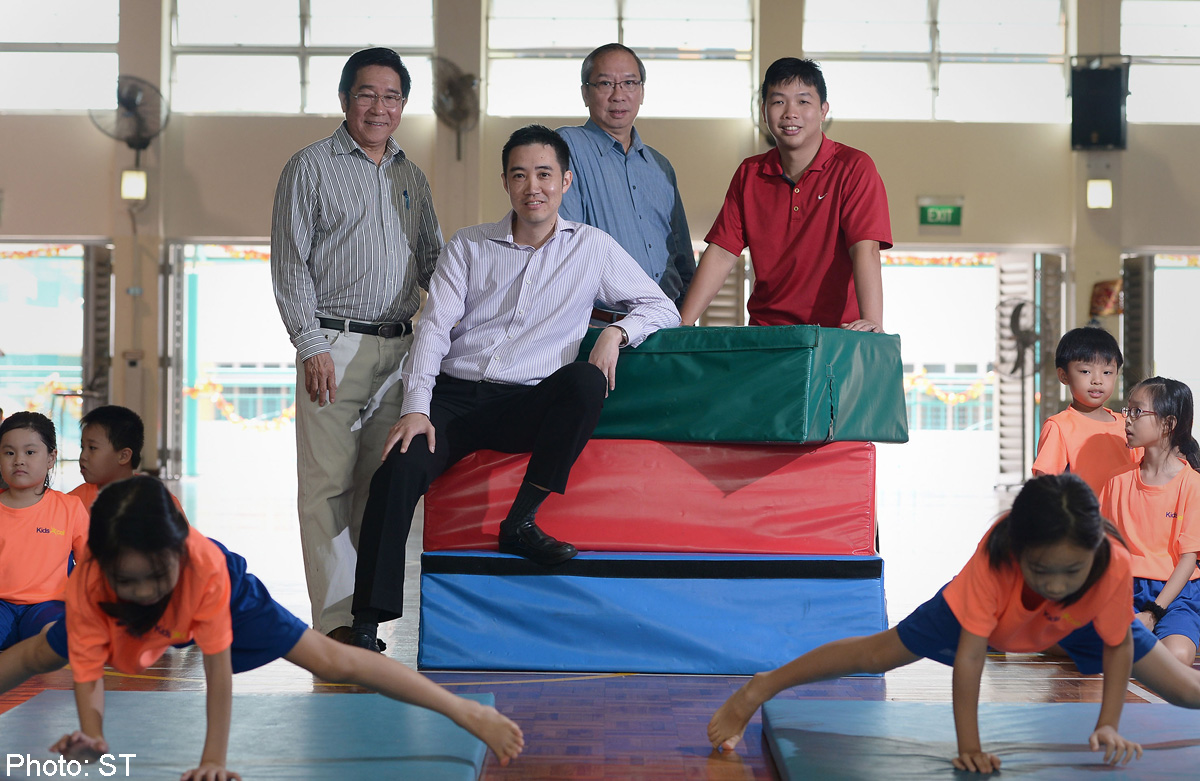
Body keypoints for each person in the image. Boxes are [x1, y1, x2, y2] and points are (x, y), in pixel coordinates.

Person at [348, 125, 680, 651]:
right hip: (455, 399)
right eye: (520, 175)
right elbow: (434, 329)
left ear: (565, 181)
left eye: (545, 174)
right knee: (397, 470)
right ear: (505, 182)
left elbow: (662, 306)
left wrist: (616, 332)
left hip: (526, 402)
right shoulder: (469, 245)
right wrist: (416, 408)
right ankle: (367, 625)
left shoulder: (592, 248)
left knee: (585, 380)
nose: (533, 187)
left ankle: (521, 521)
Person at [0, 476, 524, 777]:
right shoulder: (93, 584)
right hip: (131, 618)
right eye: (127, 580)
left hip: (225, 600)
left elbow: (217, 673)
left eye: (154, 577)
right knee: (37, 653)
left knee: (331, 660)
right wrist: (93, 734)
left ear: (178, 552)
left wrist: (212, 761)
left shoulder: (204, 569)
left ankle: (466, 712)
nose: (143, 590)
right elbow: (87, 669)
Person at [708, 474, 1200, 773]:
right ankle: (761, 686)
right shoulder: (995, 560)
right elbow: (970, 659)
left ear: (1093, 553)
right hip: (995, 613)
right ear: (1019, 551)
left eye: (1070, 571)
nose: (1055, 583)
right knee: (876, 655)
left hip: (1079, 618)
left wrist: (1108, 723)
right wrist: (970, 747)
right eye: (1041, 570)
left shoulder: (1110, 563)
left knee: (1187, 691)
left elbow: (1118, 647)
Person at [271, 47, 443, 641]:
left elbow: (434, 264)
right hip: (334, 346)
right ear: (345, 98)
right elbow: (290, 265)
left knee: (380, 484)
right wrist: (309, 343)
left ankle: (365, 616)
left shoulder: (410, 177)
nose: (379, 107)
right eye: (367, 94)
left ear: (403, 105)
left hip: (401, 352)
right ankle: (336, 624)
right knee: (327, 487)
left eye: (391, 96)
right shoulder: (310, 167)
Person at [679, 57, 891, 332]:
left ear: (823, 110)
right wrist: (682, 324)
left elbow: (865, 248)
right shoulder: (750, 174)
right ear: (764, 111)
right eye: (778, 101)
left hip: (835, 334)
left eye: (803, 101)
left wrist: (873, 324)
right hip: (767, 334)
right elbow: (721, 253)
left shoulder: (854, 167)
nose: (791, 113)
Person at [556, 43, 695, 321]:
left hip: (665, 325)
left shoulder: (660, 166)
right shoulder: (566, 147)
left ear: (641, 92)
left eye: (629, 83)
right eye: (605, 83)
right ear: (585, 93)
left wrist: (682, 322)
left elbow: (683, 261)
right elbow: (565, 246)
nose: (618, 95)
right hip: (602, 327)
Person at [1100, 377, 1200, 667]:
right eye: (1127, 410)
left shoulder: (1192, 485)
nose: (1127, 419)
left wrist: (1153, 612)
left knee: (1178, 655)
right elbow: (1105, 549)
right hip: (1125, 590)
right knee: (1084, 641)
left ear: (1168, 423)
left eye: (1137, 411)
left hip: (1177, 593)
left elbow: (1188, 559)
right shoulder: (1116, 480)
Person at [0, 412, 88, 651]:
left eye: (30, 452)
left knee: (56, 637)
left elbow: (91, 564)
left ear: (51, 458)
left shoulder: (70, 508)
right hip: (1, 605)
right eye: (9, 453)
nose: (19, 460)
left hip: (48, 606)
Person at [1032, 327, 1140, 495]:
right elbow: (1046, 488)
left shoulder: (1128, 424)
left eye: (1107, 372)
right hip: (1082, 512)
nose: (1097, 380)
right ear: (1063, 375)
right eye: (1085, 371)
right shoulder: (1059, 427)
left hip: (1125, 512)